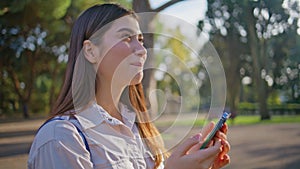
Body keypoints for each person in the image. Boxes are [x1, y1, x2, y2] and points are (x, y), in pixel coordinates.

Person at [28, 3, 230, 169]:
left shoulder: (139, 129)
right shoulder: (60, 138)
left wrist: (194, 162)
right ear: (90, 51)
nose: (142, 50)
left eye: (141, 40)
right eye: (127, 38)